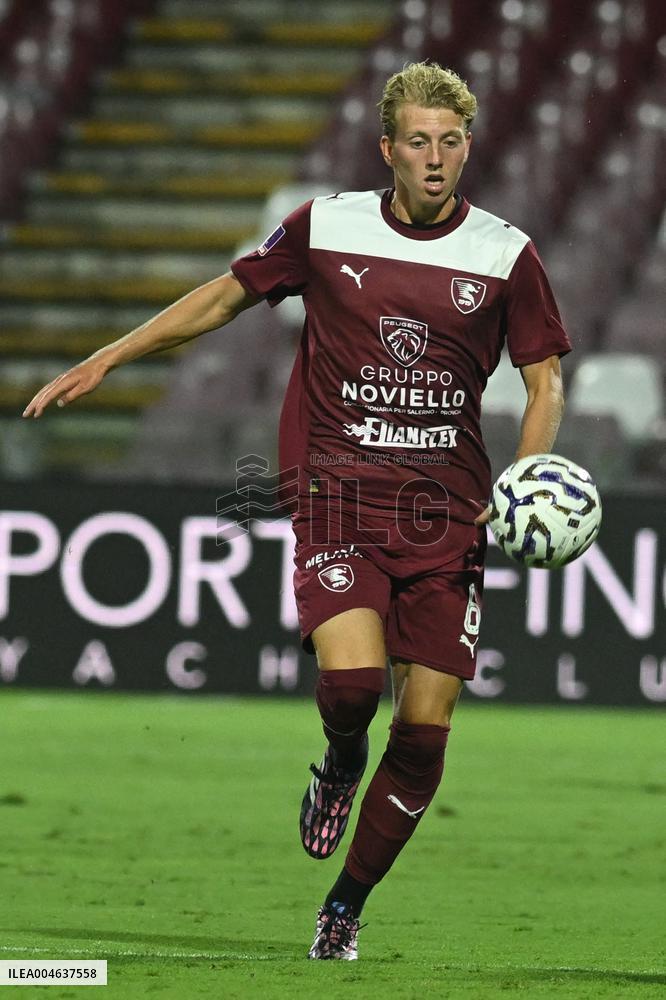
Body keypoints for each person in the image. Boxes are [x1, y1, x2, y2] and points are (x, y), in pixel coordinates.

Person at [23, 61, 570, 961]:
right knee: (353, 688)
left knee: (426, 729)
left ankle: (344, 907)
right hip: (337, 495)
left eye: (451, 142)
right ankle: (341, 762)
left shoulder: (506, 254)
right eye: (418, 142)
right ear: (387, 148)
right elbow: (229, 292)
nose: (435, 160)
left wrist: (526, 481)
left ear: (468, 146)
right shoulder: (327, 226)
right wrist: (114, 355)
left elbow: (545, 380)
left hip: (450, 518)